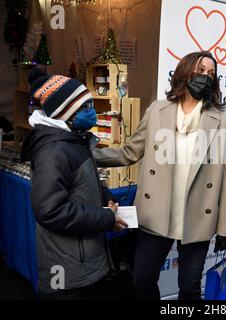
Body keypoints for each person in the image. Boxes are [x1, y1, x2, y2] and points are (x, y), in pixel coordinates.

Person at [93, 51, 226, 300]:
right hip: (156, 213)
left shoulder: (223, 120)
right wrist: (88, 154)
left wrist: (225, 226)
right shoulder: (157, 111)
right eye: (200, 70)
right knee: (142, 280)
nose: (206, 76)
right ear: (185, 72)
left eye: (211, 73)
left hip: (197, 216)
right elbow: (129, 152)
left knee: (190, 287)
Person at [20, 69, 128, 299]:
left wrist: (106, 195)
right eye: (85, 107)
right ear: (65, 112)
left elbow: (82, 184)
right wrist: (106, 218)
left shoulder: (73, 141)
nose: (92, 112)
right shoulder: (53, 151)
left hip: (83, 265)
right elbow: (51, 210)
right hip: (66, 273)